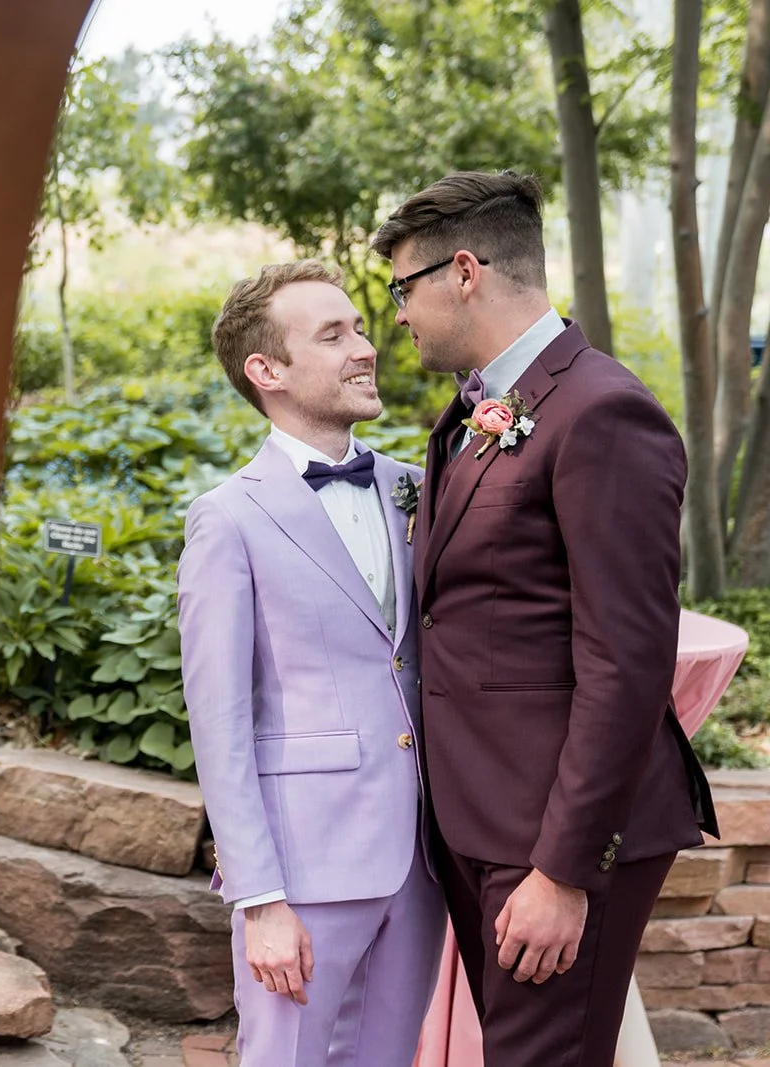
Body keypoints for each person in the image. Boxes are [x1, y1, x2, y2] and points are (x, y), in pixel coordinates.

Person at [370, 170, 718, 1067]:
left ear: (464, 272)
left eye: (403, 289)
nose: (398, 315)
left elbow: (627, 662)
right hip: (480, 818)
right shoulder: (473, 412)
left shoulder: (604, 412)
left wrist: (564, 871)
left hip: (552, 838)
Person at [178, 260, 444, 1066]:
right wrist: (260, 898)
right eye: (333, 335)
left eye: (359, 327)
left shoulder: (418, 489)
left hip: (423, 865)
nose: (365, 347)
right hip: (304, 869)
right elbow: (219, 721)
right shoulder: (228, 519)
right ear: (268, 371)